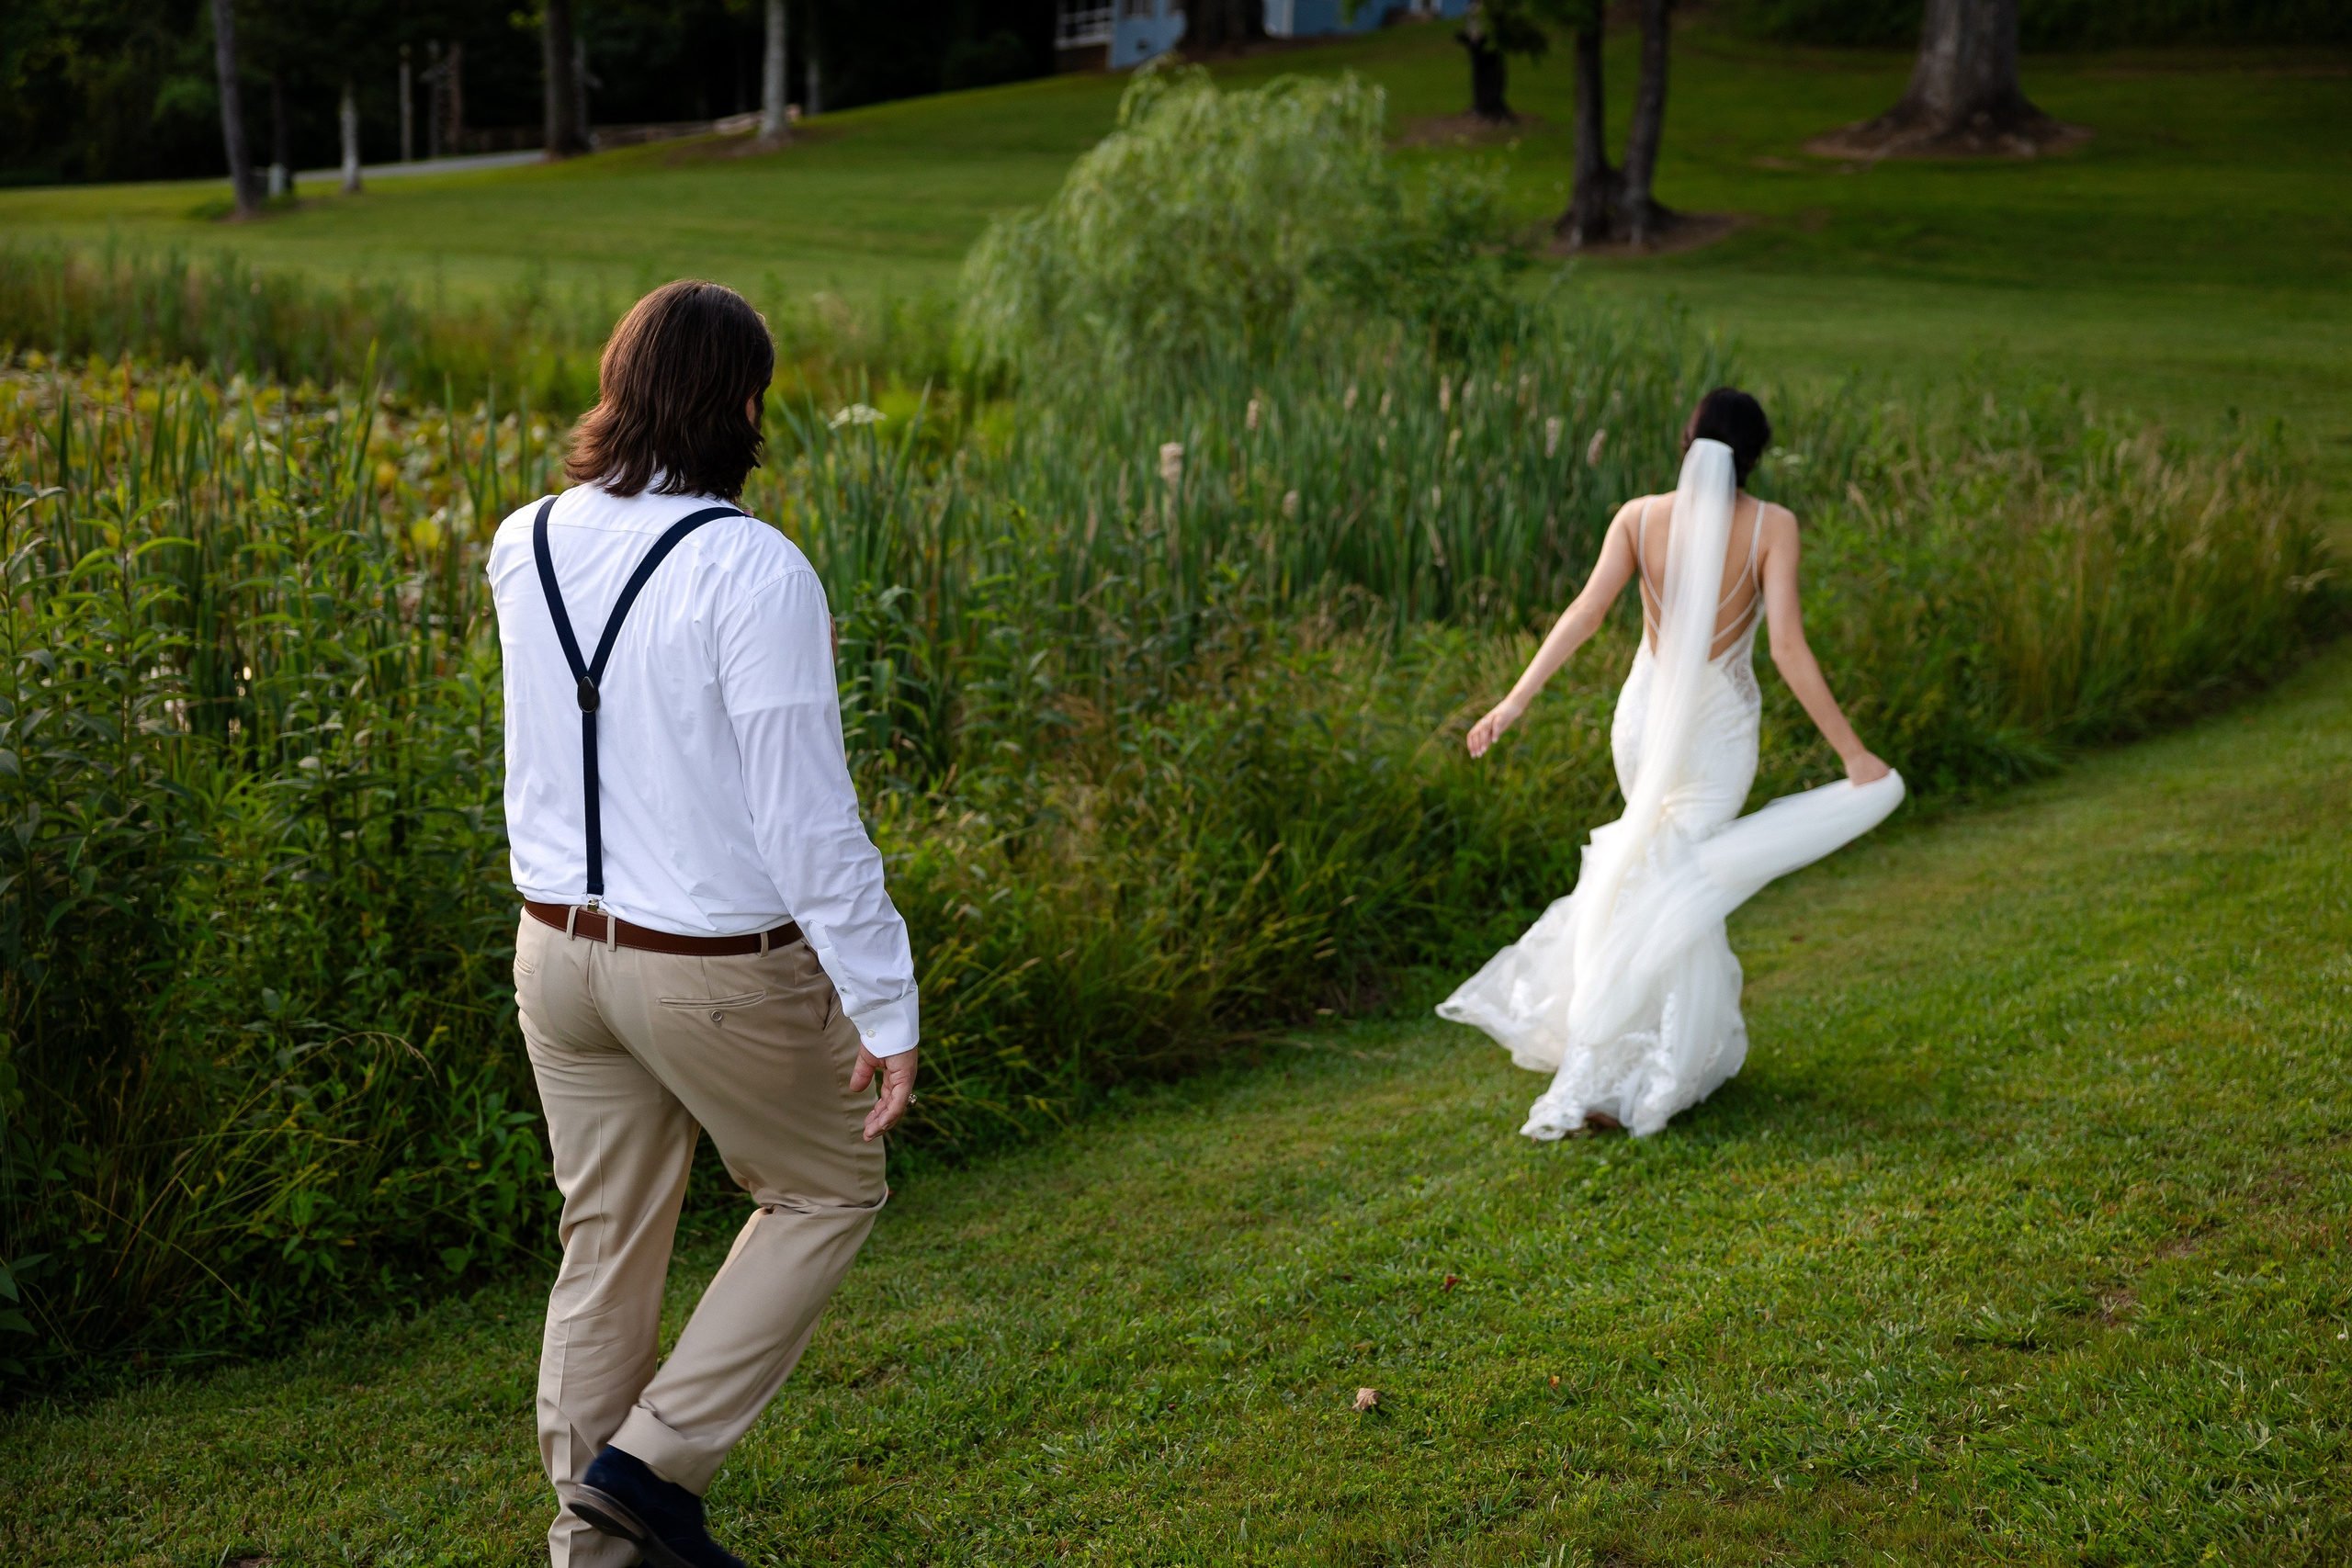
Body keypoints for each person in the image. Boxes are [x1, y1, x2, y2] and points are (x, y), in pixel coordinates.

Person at [488, 279, 920, 1568]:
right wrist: (886, 998)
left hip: (555, 954)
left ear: (621, 386)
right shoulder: (754, 566)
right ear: (740, 404)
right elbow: (806, 817)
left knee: (605, 1231)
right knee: (827, 1184)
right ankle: (647, 1468)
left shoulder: (526, 538)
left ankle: (594, 1547)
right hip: (710, 967)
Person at [1439, 389, 1903, 1139]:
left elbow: (1586, 614)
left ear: (1687, 441)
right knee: (1681, 878)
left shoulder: (1638, 515)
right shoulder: (1773, 527)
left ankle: (1625, 1059)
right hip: (1717, 730)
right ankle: (1648, 1066)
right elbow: (1785, 648)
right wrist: (1852, 753)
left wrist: (1515, 700)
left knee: (1648, 868)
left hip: (1644, 720)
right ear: (1754, 455)